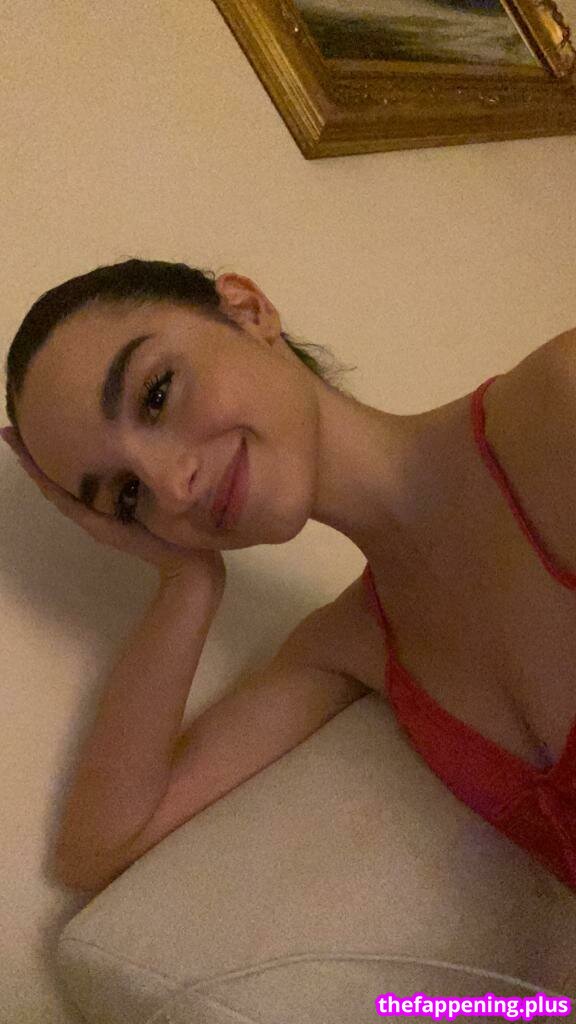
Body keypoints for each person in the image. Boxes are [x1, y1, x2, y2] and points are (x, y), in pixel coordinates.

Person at [3, 258, 576, 894]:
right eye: (128, 495)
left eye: (157, 395)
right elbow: (96, 848)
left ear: (249, 311)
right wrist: (186, 581)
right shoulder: (352, 645)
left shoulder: (561, 403)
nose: (171, 486)